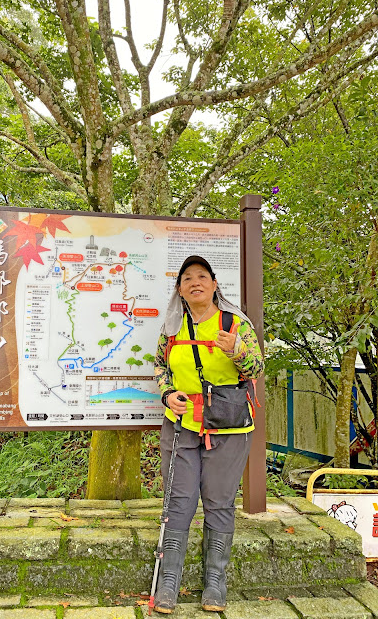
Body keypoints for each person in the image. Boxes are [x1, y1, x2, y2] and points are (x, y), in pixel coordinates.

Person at [153, 255, 264, 614]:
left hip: (228, 426)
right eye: (187, 278)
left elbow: (257, 366)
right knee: (178, 501)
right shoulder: (172, 326)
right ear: (180, 289)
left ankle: (214, 581)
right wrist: (167, 395)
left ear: (215, 285)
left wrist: (237, 350)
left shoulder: (234, 324)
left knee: (219, 501)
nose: (194, 282)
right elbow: (160, 368)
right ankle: (168, 582)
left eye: (202, 276)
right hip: (181, 425)